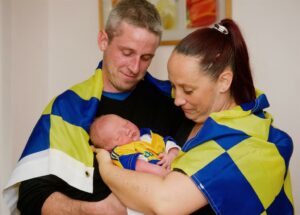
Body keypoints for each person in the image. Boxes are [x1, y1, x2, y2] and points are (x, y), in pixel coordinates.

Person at [3, 0, 195, 214]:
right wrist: (90, 210)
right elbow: (31, 196)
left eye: (146, 57)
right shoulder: (67, 109)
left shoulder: (174, 101)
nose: (134, 67)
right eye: (127, 52)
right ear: (103, 40)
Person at [95, 19, 294, 214]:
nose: (177, 99)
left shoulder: (246, 143)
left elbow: (165, 202)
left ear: (224, 81)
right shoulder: (194, 118)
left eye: (188, 90)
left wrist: (106, 166)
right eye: (174, 86)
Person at [90, 114, 180, 176]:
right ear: (109, 149)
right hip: (160, 178)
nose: (127, 130)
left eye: (126, 124)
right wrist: (163, 173)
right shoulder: (121, 152)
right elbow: (139, 165)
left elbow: (169, 143)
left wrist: (171, 155)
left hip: (178, 165)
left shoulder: (147, 135)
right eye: (119, 136)